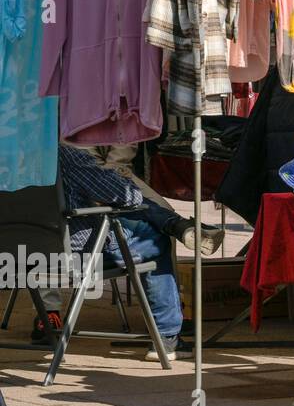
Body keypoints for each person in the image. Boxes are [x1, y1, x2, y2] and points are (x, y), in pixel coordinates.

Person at [32, 145, 200, 360]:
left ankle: (173, 223)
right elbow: (119, 194)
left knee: (134, 222)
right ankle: (167, 339)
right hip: (77, 256)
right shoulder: (61, 154)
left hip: (16, 259)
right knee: (155, 240)